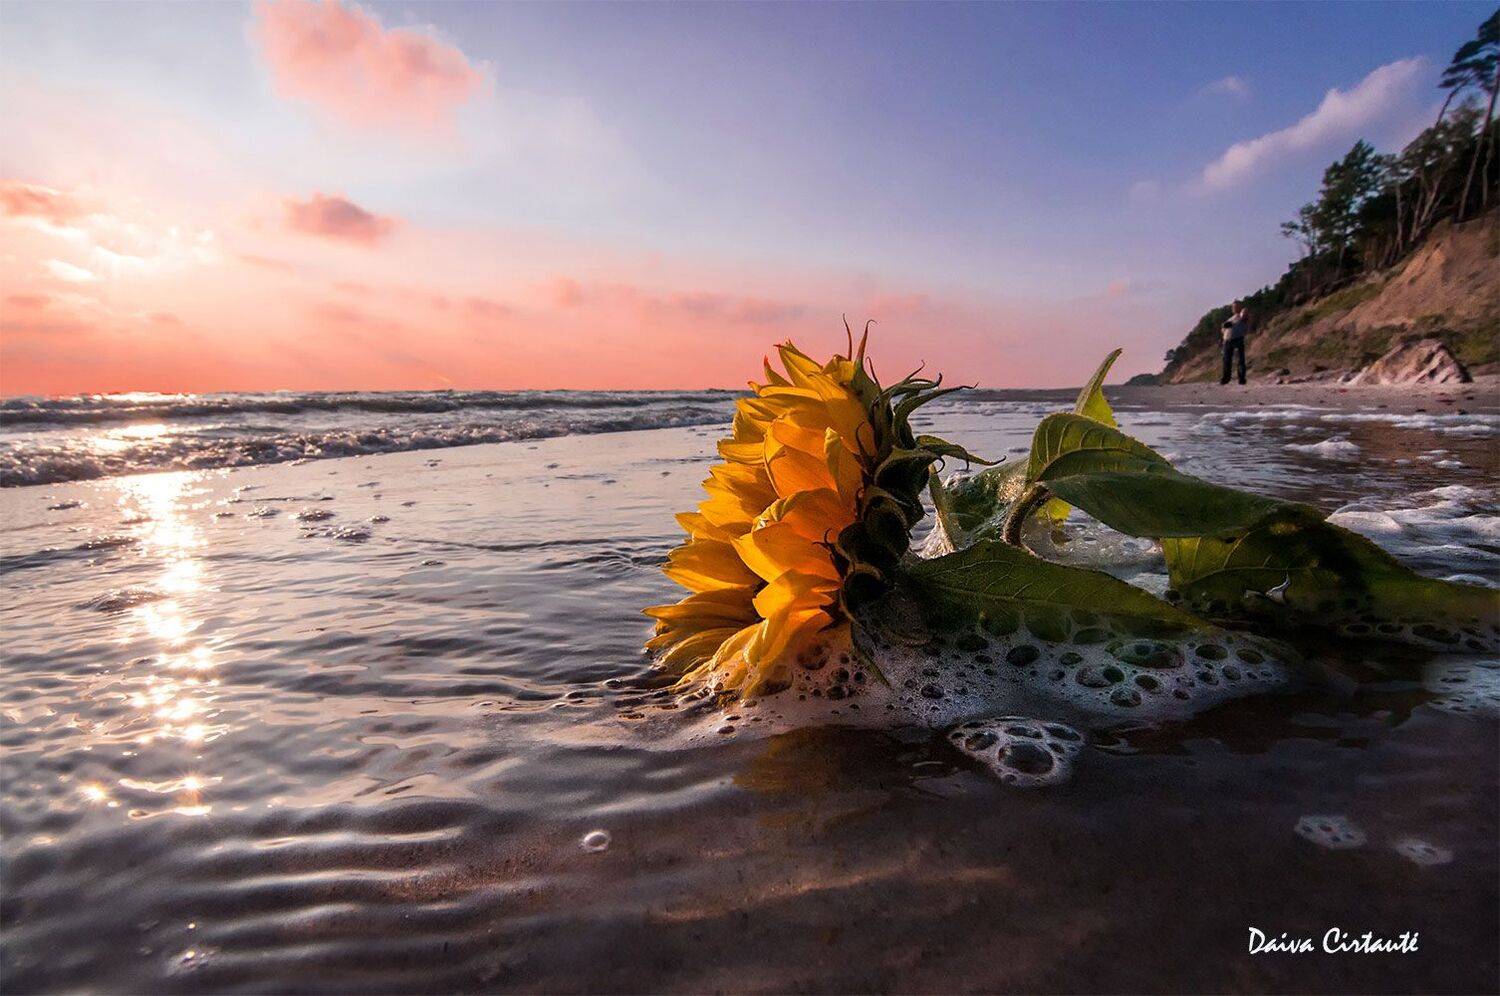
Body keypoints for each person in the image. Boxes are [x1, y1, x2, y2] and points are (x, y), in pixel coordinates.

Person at [1220, 300, 1249, 385]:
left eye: (1236, 306)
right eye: (1233, 307)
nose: (1234, 308)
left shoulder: (1242, 314)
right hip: (1227, 341)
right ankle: (1226, 378)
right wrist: (1224, 326)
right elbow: (1223, 330)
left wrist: (1231, 323)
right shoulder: (1230, 318)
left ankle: (1241, 379)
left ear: (1240, 307)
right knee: (1226, 360)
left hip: (1237, 339)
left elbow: (1244, 314)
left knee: (1240, 360)